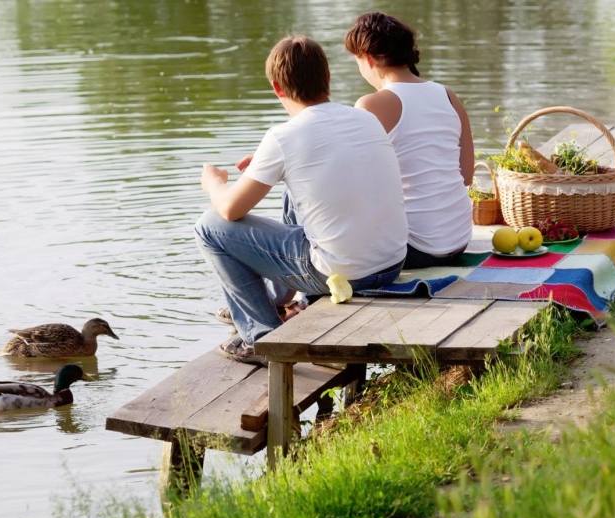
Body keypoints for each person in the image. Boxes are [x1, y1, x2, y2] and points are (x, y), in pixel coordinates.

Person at [194, 35, 408, 366]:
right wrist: (272, 166)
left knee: (209, 226)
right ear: (328, 78)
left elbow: (228, 209)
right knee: (292, 186)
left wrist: (214, 182)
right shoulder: (365, 118)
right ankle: (279, 301)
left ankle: (262, 339)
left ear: (278, 88)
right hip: (391, 264)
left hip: (343, 274)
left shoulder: (283, 136)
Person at [345, 12, 475, 269]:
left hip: (413, 248)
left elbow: (350, 183)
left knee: (300, 192)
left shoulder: (371, 104)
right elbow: (467, 176)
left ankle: (302, 298)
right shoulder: (447, 95)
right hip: (459, 240)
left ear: (368, 59)